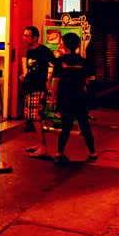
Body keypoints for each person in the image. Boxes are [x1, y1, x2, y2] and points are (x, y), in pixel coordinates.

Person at [49, 32, 97, 164]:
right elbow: (87, 82)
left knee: (66, 126)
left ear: (65, 45)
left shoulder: (60, 61)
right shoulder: (83, 62)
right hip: (80, 97)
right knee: (84, 125)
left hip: (65, 97)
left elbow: (57, 81)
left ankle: (59, 153)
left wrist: (52, 99)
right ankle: (93, 153)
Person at [20, 26, 56, 158]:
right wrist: (25, 76)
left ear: (35, 38)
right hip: (29, 86)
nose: (24, 38)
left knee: (36, 117)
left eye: (27, 36)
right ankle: (39, 143)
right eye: (24, 35)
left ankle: (43, 147)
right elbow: (32, 69)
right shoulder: (29, 51)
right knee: (31, 116)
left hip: (38, 87)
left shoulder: (44, 50)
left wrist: (49, 80)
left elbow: (56, 64)